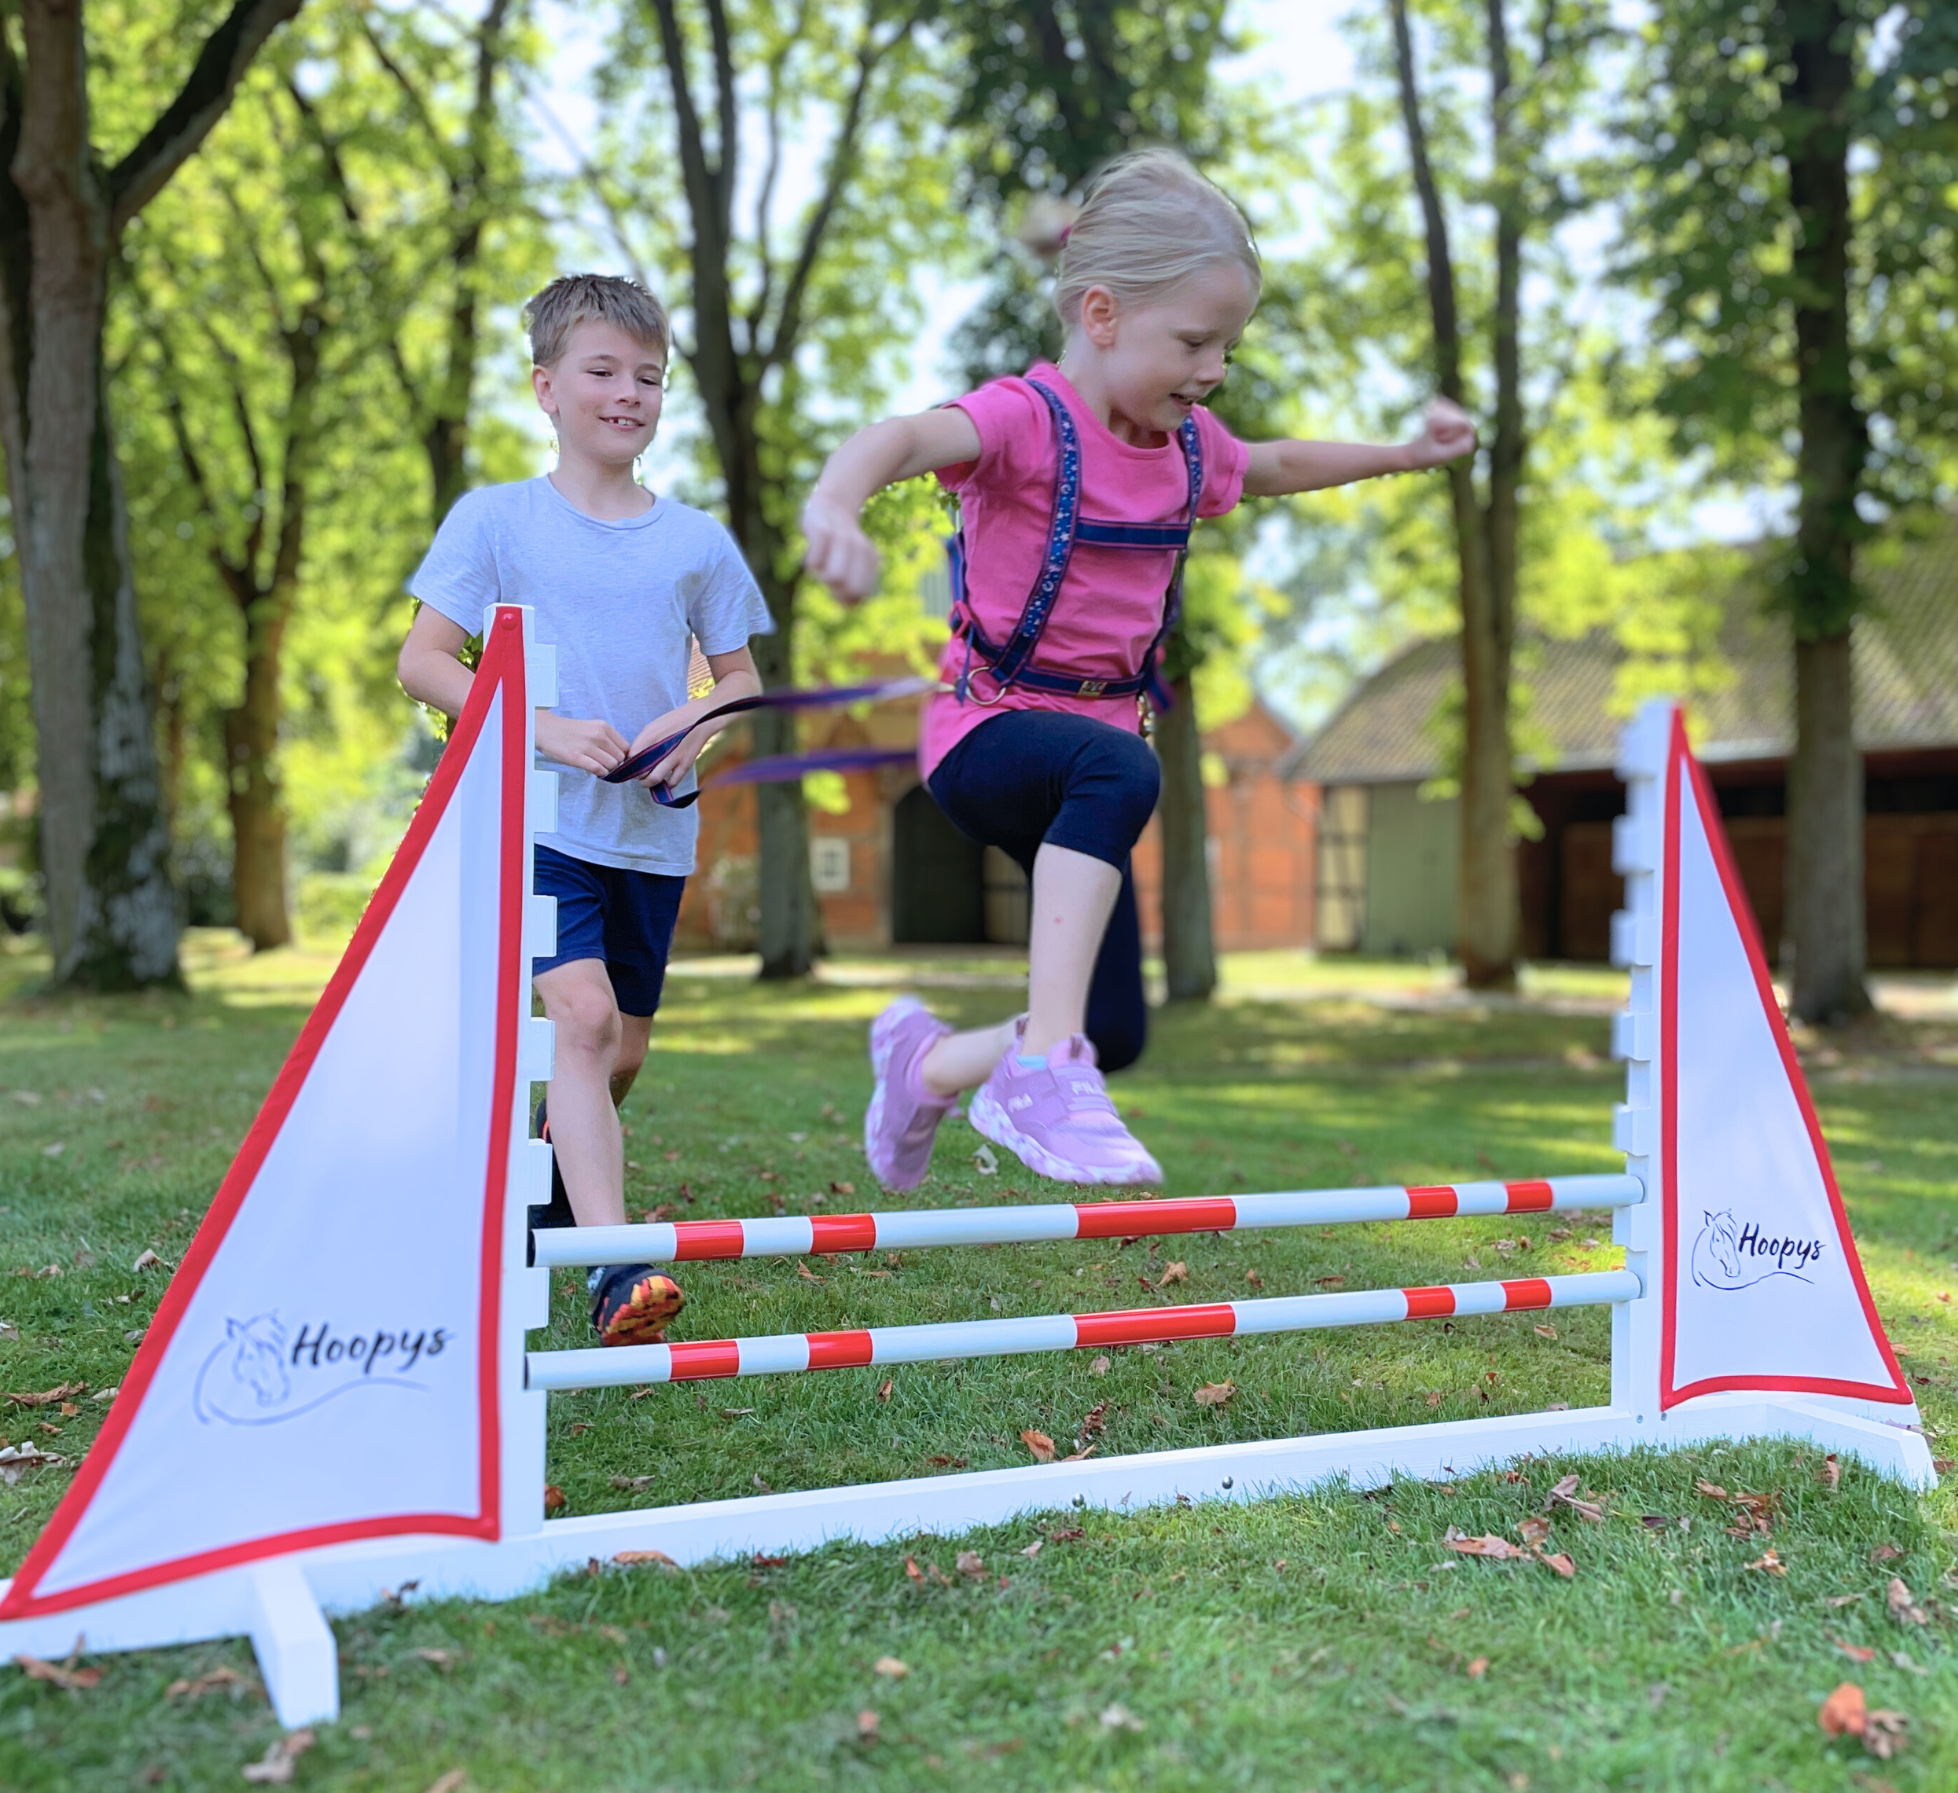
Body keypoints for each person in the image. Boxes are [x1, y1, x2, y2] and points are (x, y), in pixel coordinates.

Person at [803, 151, 1475, 1190]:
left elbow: (1279, 463)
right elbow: (899, 437)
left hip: (1086, 758)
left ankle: (926, 1064)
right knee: (1117, 772)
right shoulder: (1025, 421)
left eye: (1227, 350)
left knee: (1111, 1026)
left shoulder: (1188, 451)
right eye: (1194, 342)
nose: (1210, 370)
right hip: (984, 739)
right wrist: (831, 507)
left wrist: (1403, 452)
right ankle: (1038, 1065)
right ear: (1104, 314)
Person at [398, 274, 772, 1342]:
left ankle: (538, 1198)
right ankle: (614, 1270)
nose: (628, 394)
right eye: (602, 372)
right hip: (538, 825)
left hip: (650, 838)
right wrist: (543, 727)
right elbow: (424, 661)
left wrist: (684, 729)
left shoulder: (695, 543)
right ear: (546, 388)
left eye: (648, 377)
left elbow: (738, 682)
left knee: (621, 1052)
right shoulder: (496, 522)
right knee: (585, 1019)